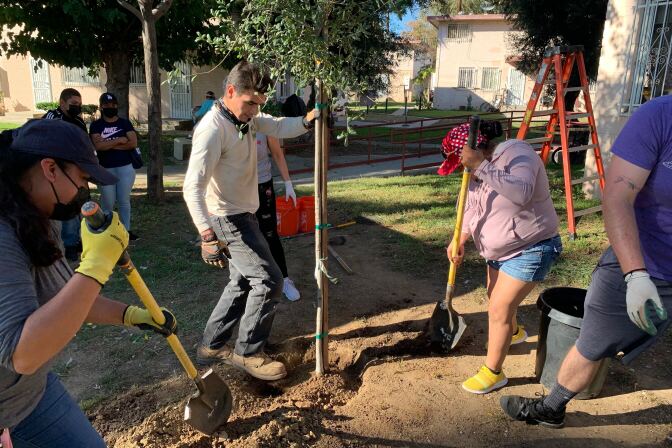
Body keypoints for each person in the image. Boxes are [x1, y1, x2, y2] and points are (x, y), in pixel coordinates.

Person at [0, 119, 176, 447]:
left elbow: (65, 299)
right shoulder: (4, 235)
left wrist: (133, 315)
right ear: (50, 168)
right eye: (81, 179)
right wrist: (96, 265)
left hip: (29, 394)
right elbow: (23, 353)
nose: (85, 193)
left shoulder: (36, 216)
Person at [500, 96, 671, 429]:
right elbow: (619, 197)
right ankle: (551, 407)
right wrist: (635, 275)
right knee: (594, 340)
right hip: (646, 261)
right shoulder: (660, 117)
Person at [183, 61, 315, 381]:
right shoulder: (214, 129)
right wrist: (206, 235)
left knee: (242, 281)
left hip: (245, 213)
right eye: (250, 103)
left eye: (259, 104)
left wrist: (309, 120)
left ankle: (212, 345)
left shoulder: (248, 118)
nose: (255, 110)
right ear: (230, 92)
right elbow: (192, 187)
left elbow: (279, 126)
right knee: (269, 280)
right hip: (228, 218)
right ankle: (248, 352)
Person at [446, 121, 563, 394]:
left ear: (477, 149)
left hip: (531, 247)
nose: (462, 166)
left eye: (461, 159)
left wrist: (480, 167)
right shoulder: (473, 171)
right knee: (494, 296)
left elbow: (521, 192)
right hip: (499, 252)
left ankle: (493, 372)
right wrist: (459, 238)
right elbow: (471, 209)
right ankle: (512, 334)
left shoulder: (519, 153)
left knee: (498, 308)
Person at [42, 88, 87, 262]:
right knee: (64, 207)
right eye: (73, 104)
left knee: (77, 208)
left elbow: (85, 143)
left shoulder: (78, 121)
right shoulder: (53, 117)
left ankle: (73, 242)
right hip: (58, 172)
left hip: (76, 170)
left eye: (79, 104)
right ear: (62, 103)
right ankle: (65, 245)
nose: (77, 107)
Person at [256, 133, 301, 301]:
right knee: (243, 237)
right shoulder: (229, 123)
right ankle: (251, 283)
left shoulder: (264, 124)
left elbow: (277, 153)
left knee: (270, 234)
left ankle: (284, 280)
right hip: (238, 189)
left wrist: (288, 183)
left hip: (262, 186)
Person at [89, 92, 139, 240]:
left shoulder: (124, 123)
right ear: (101, 107)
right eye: (106, 105)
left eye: (113, 105)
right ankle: (108, 232)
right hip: (105, 170)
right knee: (107, 203)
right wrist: (119, 140)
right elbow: (98, 147)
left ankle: (126, 231)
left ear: (116, 105)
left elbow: (133, 143)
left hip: (125, 168)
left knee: (124, 201)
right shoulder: (96, 125)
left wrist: (108, 144)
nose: (110, 107)